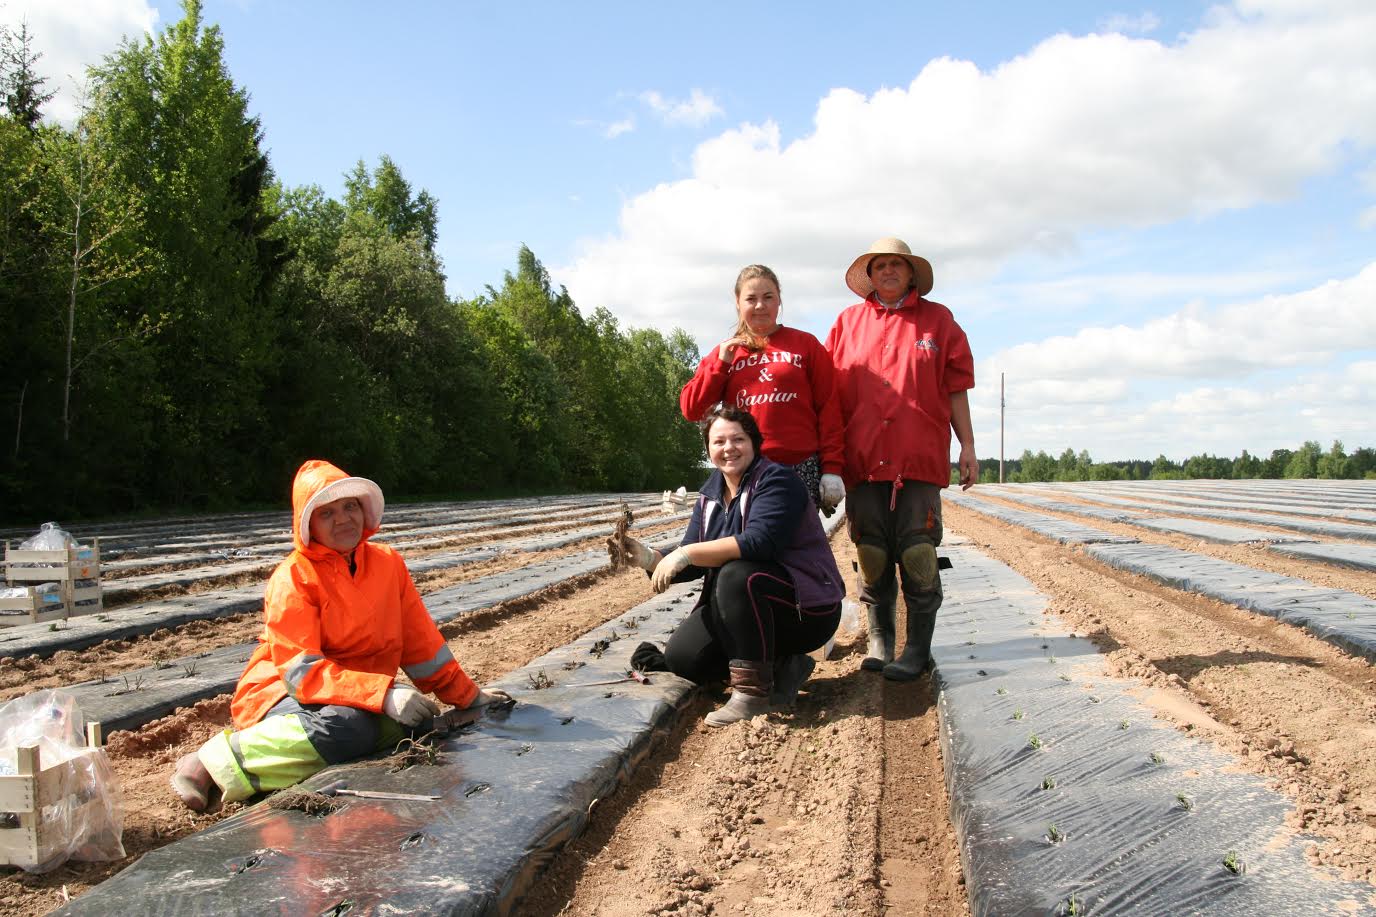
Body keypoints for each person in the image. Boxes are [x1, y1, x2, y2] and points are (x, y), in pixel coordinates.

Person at [171, 459, 507, 810]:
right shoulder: (294, 579)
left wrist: (469, 696)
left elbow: (421, 644)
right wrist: (382, 694)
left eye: (350, 506)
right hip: (281, 691)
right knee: (350, 728)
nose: (343, 519)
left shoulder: (388, 564)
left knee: (414, 721)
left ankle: (314, 749)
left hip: (356, 693)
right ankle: (214, 761)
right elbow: (301, 675)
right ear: (309, 524)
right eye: (327, 513)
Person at [618, 405, 843, 727]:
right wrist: (652, 558)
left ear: (753, 442)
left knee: (738, 574)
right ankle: (782, 665)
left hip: (804, 610)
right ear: (708, 449)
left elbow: (759, 543)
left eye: (737, 439)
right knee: (684, 659)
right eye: (718, 441)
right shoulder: (710, 495)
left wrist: (688, 553)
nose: (728, 448)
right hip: (752, 607)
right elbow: (694, 558)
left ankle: (753, 695)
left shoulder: (778, 481)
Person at [824, 237, 976, 682]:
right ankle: (880, 640)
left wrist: (966, 445)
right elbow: (829, 398)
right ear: (869, 276)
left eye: (897, 264)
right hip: (864, 459)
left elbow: (955, 389)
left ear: (912, 274)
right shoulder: (847, 325)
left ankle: (918, 650)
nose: (888, 271)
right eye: (880, 265)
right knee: (871, 552)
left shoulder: (938, 321)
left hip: (918, 458)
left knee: (918, 553)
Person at [679, 265, 846, 514]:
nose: (760, 305)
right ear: (738, 303)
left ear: (779, 300)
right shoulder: (726, 353)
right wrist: (720, 365)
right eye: (751, 299)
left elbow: (829, 409)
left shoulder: (805, 345)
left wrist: (832, 469)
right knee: (747, 547)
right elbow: (692, 409)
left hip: (798, 466)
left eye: (768, 297)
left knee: (797, 548)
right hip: (743, 469)